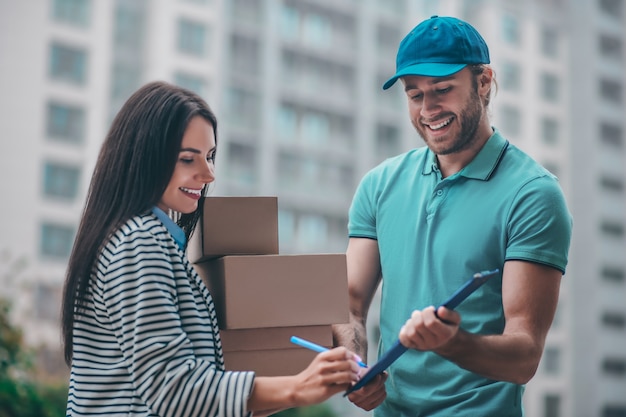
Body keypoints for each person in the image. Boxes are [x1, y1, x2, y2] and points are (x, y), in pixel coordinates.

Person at [61, 81, 361, 417]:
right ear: (145, 157)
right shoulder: (139, 241)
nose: (208, 174)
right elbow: (171, 387)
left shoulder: (143, 238)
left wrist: (291, 388)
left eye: (210, 156)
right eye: (189, 159)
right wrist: (299, 386)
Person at [332, 15, 573, 416]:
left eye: (442, 90)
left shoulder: (533, 195)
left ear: (483, 82)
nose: (428, 109)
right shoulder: (379, 185)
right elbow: (350, 304)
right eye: (414, 95)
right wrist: (354, 364)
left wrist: (452, 342)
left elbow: (525, 354)